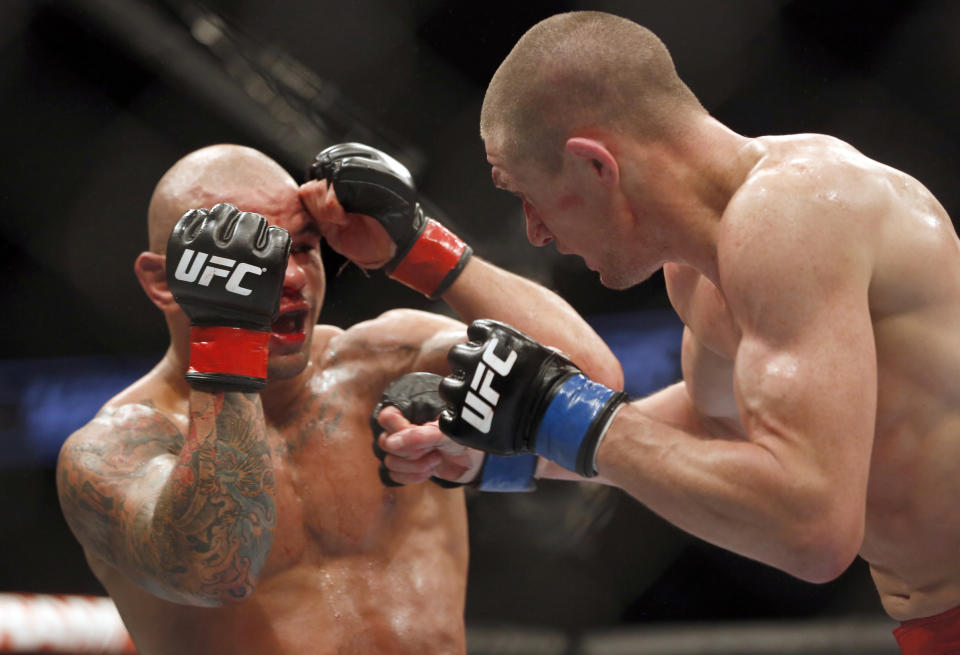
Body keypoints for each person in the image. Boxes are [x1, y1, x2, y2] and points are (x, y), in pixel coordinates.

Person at [374, 10, 960, 654]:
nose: (536, 231)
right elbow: (713, 424)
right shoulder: (699, 273)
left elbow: (812, 527)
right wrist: (508, 449)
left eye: (529, 195)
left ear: (594, 164)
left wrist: (559, 411)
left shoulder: (792, 212)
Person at [55, 142, 622, 655]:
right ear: (162, 282)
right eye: (254, 261)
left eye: (302, 247)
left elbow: (591, 383)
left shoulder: (383, 361)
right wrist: (228, 339)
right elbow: (215, 570)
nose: (293, 276)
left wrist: (419, 246)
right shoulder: (115, 450)